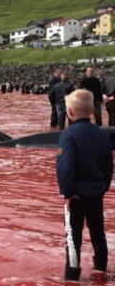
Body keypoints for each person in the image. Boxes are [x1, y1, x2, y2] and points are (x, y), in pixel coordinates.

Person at [56, 89, 113, 281]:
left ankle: (72, 276)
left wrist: (67, 193)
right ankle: (100, 273)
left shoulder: (68, 135)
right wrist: (101, 188)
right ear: (91, 111)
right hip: (96, 194)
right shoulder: (102, 135)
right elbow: (108, 166)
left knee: (73, 239)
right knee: (98, 235)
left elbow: (66, 168)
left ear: (69, 113)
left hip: (76, 197)